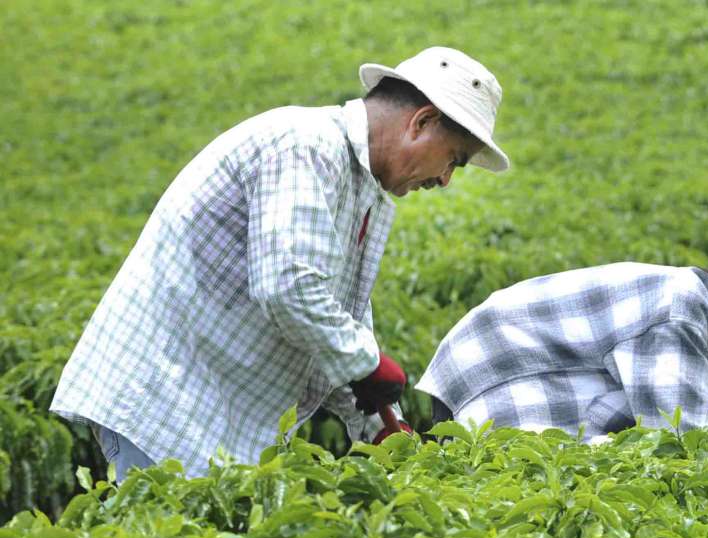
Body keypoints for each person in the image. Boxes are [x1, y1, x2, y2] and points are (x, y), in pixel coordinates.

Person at [50, 46, 510, 480]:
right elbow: (289, 287)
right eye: (453, 160)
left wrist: (381, 427)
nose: (446, 180)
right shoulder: (305, 147)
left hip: (212, 411)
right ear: (421, 122)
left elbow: (334, 322)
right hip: (163, 400)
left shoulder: (362, 188)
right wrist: (367, 364)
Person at [417, 223, 708, 442]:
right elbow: (679, 439)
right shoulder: (682, 307)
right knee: (598, 456)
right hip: (488, 374)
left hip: (485, 370)